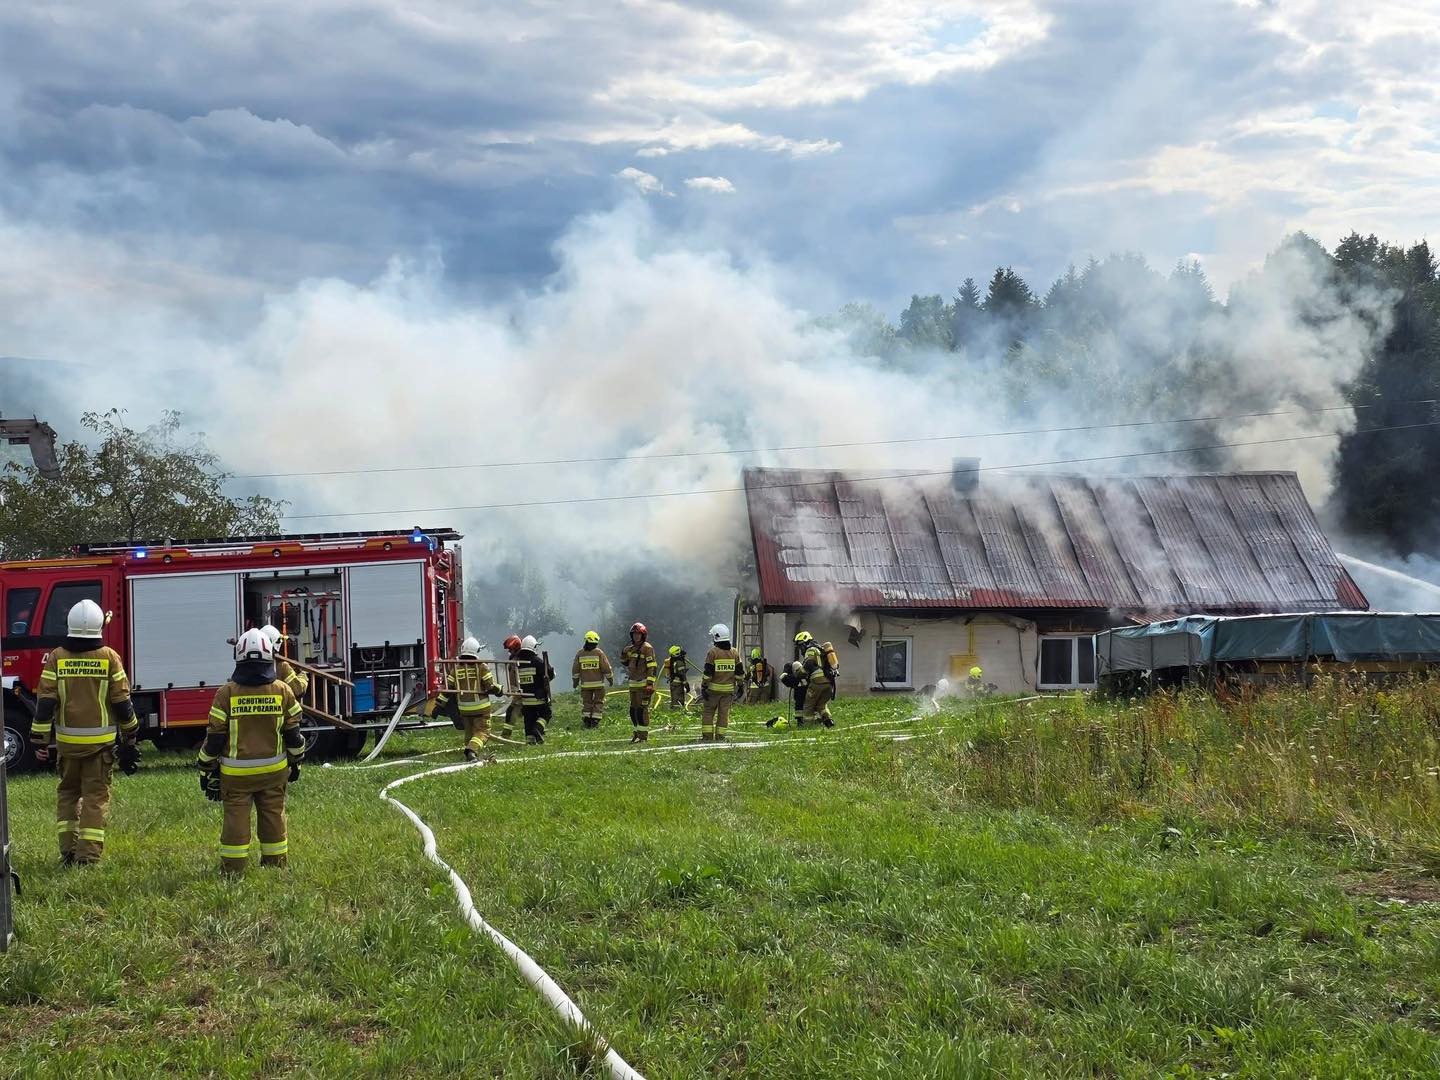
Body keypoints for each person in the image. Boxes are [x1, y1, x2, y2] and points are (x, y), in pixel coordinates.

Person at [30, 599, 139, 866]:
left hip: (67, 746)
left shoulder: (56, 657)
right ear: (99, 626)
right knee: (95, 797)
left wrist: (39, 741)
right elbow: (122, 704)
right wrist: (131, 735)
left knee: (68, 794)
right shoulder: (109, 658)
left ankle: (68, 851)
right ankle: (87, 857)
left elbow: (45, 703)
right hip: (99, 747)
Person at [197, 628, 305, 874]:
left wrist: (204, 769)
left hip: (236, 776)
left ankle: (233, 869)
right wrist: (297, 761)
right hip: (274, 773)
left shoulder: (226, 693)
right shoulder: (282, 690)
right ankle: (275, 866)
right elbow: (294, 736)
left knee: (235, 817)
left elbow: (214, 739)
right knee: (273, 816)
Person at [436, 636, 504, 760]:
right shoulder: (481, 667)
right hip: (481, 708)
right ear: (476, 651)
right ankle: (472, 751)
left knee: (469, 732)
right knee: (483, 731)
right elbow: (489, 686)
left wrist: (439, 704)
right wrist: (499, 690)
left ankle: (470, 753)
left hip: (464, 709)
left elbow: (448, 689)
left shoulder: (456, 669)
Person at [700, 624, 742, 742]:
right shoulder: (734, 652)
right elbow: (739, 672)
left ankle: (707, 737)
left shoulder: (713, 653)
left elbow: (708, 673)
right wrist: (741, 686)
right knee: (724, 714)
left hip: (713, 691)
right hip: (728, 691)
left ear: (716, 637)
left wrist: (703, 686)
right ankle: (720, 737)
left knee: (708, 712)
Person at [619, 622, 657, 743]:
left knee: (642, 710)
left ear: (643, 635)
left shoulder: (647, 648)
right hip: (633, 684)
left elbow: (652, 666)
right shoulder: (630, 649)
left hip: (643, 684)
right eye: (634, 634)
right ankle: (636, 733)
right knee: (633, 710)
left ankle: (643, 737)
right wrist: (624, 653)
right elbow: (625, 662)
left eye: (638, 634)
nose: (636, 636)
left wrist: (650, 683)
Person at [515, 635, 555, 744]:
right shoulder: (537, 661)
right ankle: (538, 728)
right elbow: (549, 674)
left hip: (525, 699)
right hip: (538, 697)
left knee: (528, 719)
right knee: (546, 713)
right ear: (534, 647)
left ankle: (530, 740)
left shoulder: (519, 663)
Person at [572, 631, 613, 728]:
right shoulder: (599, 653)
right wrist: (610, 679)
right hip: (598, 684)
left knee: (587, 702)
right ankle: (595, 721)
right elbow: (606, 667)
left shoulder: (580, 653)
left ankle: (587, 720)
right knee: (598, 701)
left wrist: (575, 682)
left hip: (585, 685)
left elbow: (575, 669)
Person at [800, 634, 840, 728]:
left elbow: (808, 664)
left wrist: (800, 672)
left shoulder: (810, 650)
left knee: (808, 706)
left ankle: (808, 726)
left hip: (817, 683)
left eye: (801, 645)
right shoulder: (820, 650)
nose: (801, 648)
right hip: (829, 684)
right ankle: (829, 723)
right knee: (821, 706)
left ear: (805, 642)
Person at [261, 624, 310, 701]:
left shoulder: (250, 665)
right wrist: (303, 675)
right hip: (280, 708)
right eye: (279, 641)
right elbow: (298, 690)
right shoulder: (282, 666)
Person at [499, 635, 526, 739]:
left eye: (510, 649)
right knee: (515, 712)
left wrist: (516, 692)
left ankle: (506, 735)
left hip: (521, 693)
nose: (509, 652)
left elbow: (514, 680)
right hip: (521, 692)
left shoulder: (517, 661)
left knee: (512, 711)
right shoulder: (519, 659)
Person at [661, 645, 690, 710]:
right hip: (678, 684)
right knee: (679, 701)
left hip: (673, 683)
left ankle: (674, 711)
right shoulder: (679, 662)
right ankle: (677, 713)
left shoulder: (672, 660)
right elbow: (682, 675)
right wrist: (686, 685)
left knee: (674, 699)